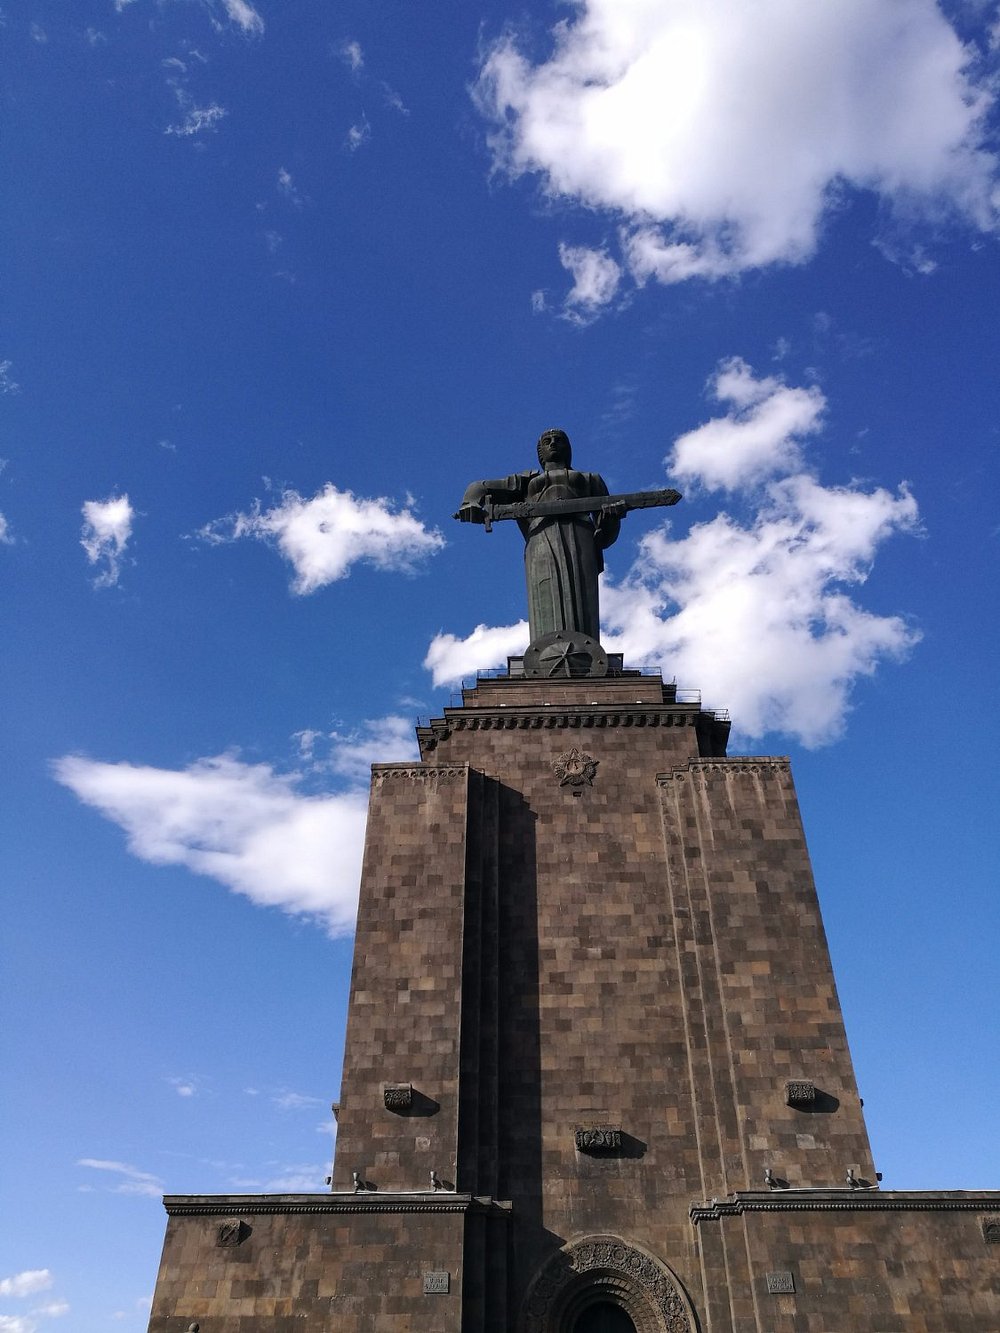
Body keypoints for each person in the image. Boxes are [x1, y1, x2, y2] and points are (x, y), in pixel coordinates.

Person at [456, 429, 624, 644]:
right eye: (547, 441)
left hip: (581, 537)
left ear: (569, 448)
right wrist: (469, 503)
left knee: (582, 593)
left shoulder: (590, 479)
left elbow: (605, 538)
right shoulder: (526, 481)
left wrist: (612, 518)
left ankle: (585, 649)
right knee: (545, 590)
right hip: (541, 539)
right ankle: (546, 650)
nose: (553, 443)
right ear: (540, 451)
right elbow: (478, 487)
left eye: (559, 440)